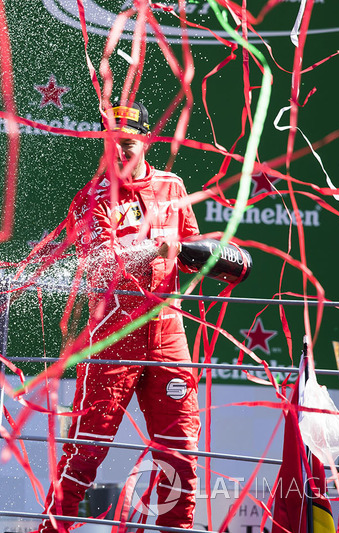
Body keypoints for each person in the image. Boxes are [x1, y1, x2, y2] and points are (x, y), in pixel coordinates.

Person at [36, 101, 201, 532]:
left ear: (146, 141)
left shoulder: (173, 186)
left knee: (180, 448)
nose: (119, 153)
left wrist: (220, 260)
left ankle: (173, 529)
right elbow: (100, 265)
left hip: (167, 334)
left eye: (127, 144)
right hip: (114, 336)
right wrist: (155, 248)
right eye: (111, 144)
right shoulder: (93, 197)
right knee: (87, 451)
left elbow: (190, 249)